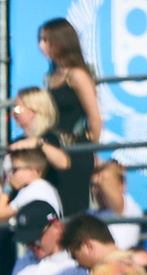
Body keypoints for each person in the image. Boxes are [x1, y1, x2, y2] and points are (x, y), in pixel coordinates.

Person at [37, 18, 106, 217]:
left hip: (75, 150)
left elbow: (95, 118)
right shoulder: (50, 77)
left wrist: (88, 148)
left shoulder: (77, 75)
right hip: (53, 148)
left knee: (73, 212)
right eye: (40, 39)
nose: (41, 45)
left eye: (46, 40)